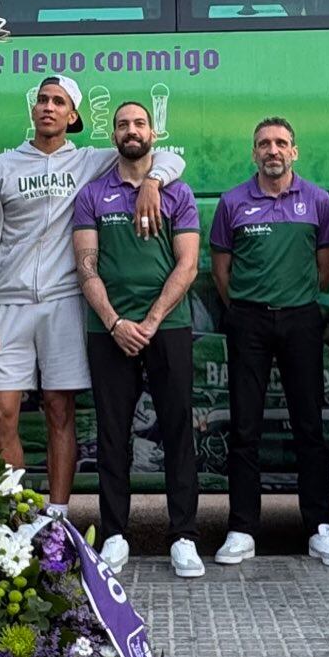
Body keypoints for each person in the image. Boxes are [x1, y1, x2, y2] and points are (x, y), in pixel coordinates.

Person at [0, 76, 182, 525]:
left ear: (73, 116)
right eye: (42, 100)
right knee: (1, 414)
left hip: (64, 302)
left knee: (58, 408)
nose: (48, 107)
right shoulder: (3, 167)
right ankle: (13, 518)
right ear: (33, 110)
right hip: (7, 305)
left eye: (59, 102)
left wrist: (153, 182)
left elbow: (166, 155)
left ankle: (58, 517)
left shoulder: (91, 161)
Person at [68, 101, 202, 576]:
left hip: (168, 327)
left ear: (153, 133)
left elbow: (188, 265)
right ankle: (114, 535)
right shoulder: (92, 195)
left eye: (139, 123)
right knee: (112, 434)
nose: (131, 130)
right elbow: (86, 267)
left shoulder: (178, 192)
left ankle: (184, 536)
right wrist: (114, 322)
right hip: (110, 331)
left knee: (177, 430)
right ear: (113, 135)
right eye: (123, 124)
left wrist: (151, 319)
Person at [209, 117, 329, 568]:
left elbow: (325, 270)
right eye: (264, 144)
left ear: (294, 151)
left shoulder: (318, 201)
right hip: (248, 320)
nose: (273, 150)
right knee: (244, 428)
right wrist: (245, 309)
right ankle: (242, 529)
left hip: (301, 319)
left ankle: (320, 527)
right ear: (254, 153)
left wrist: (294, 302)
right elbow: (222, 270)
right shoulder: (232, 202)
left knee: (309, 426)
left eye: (281, 143)